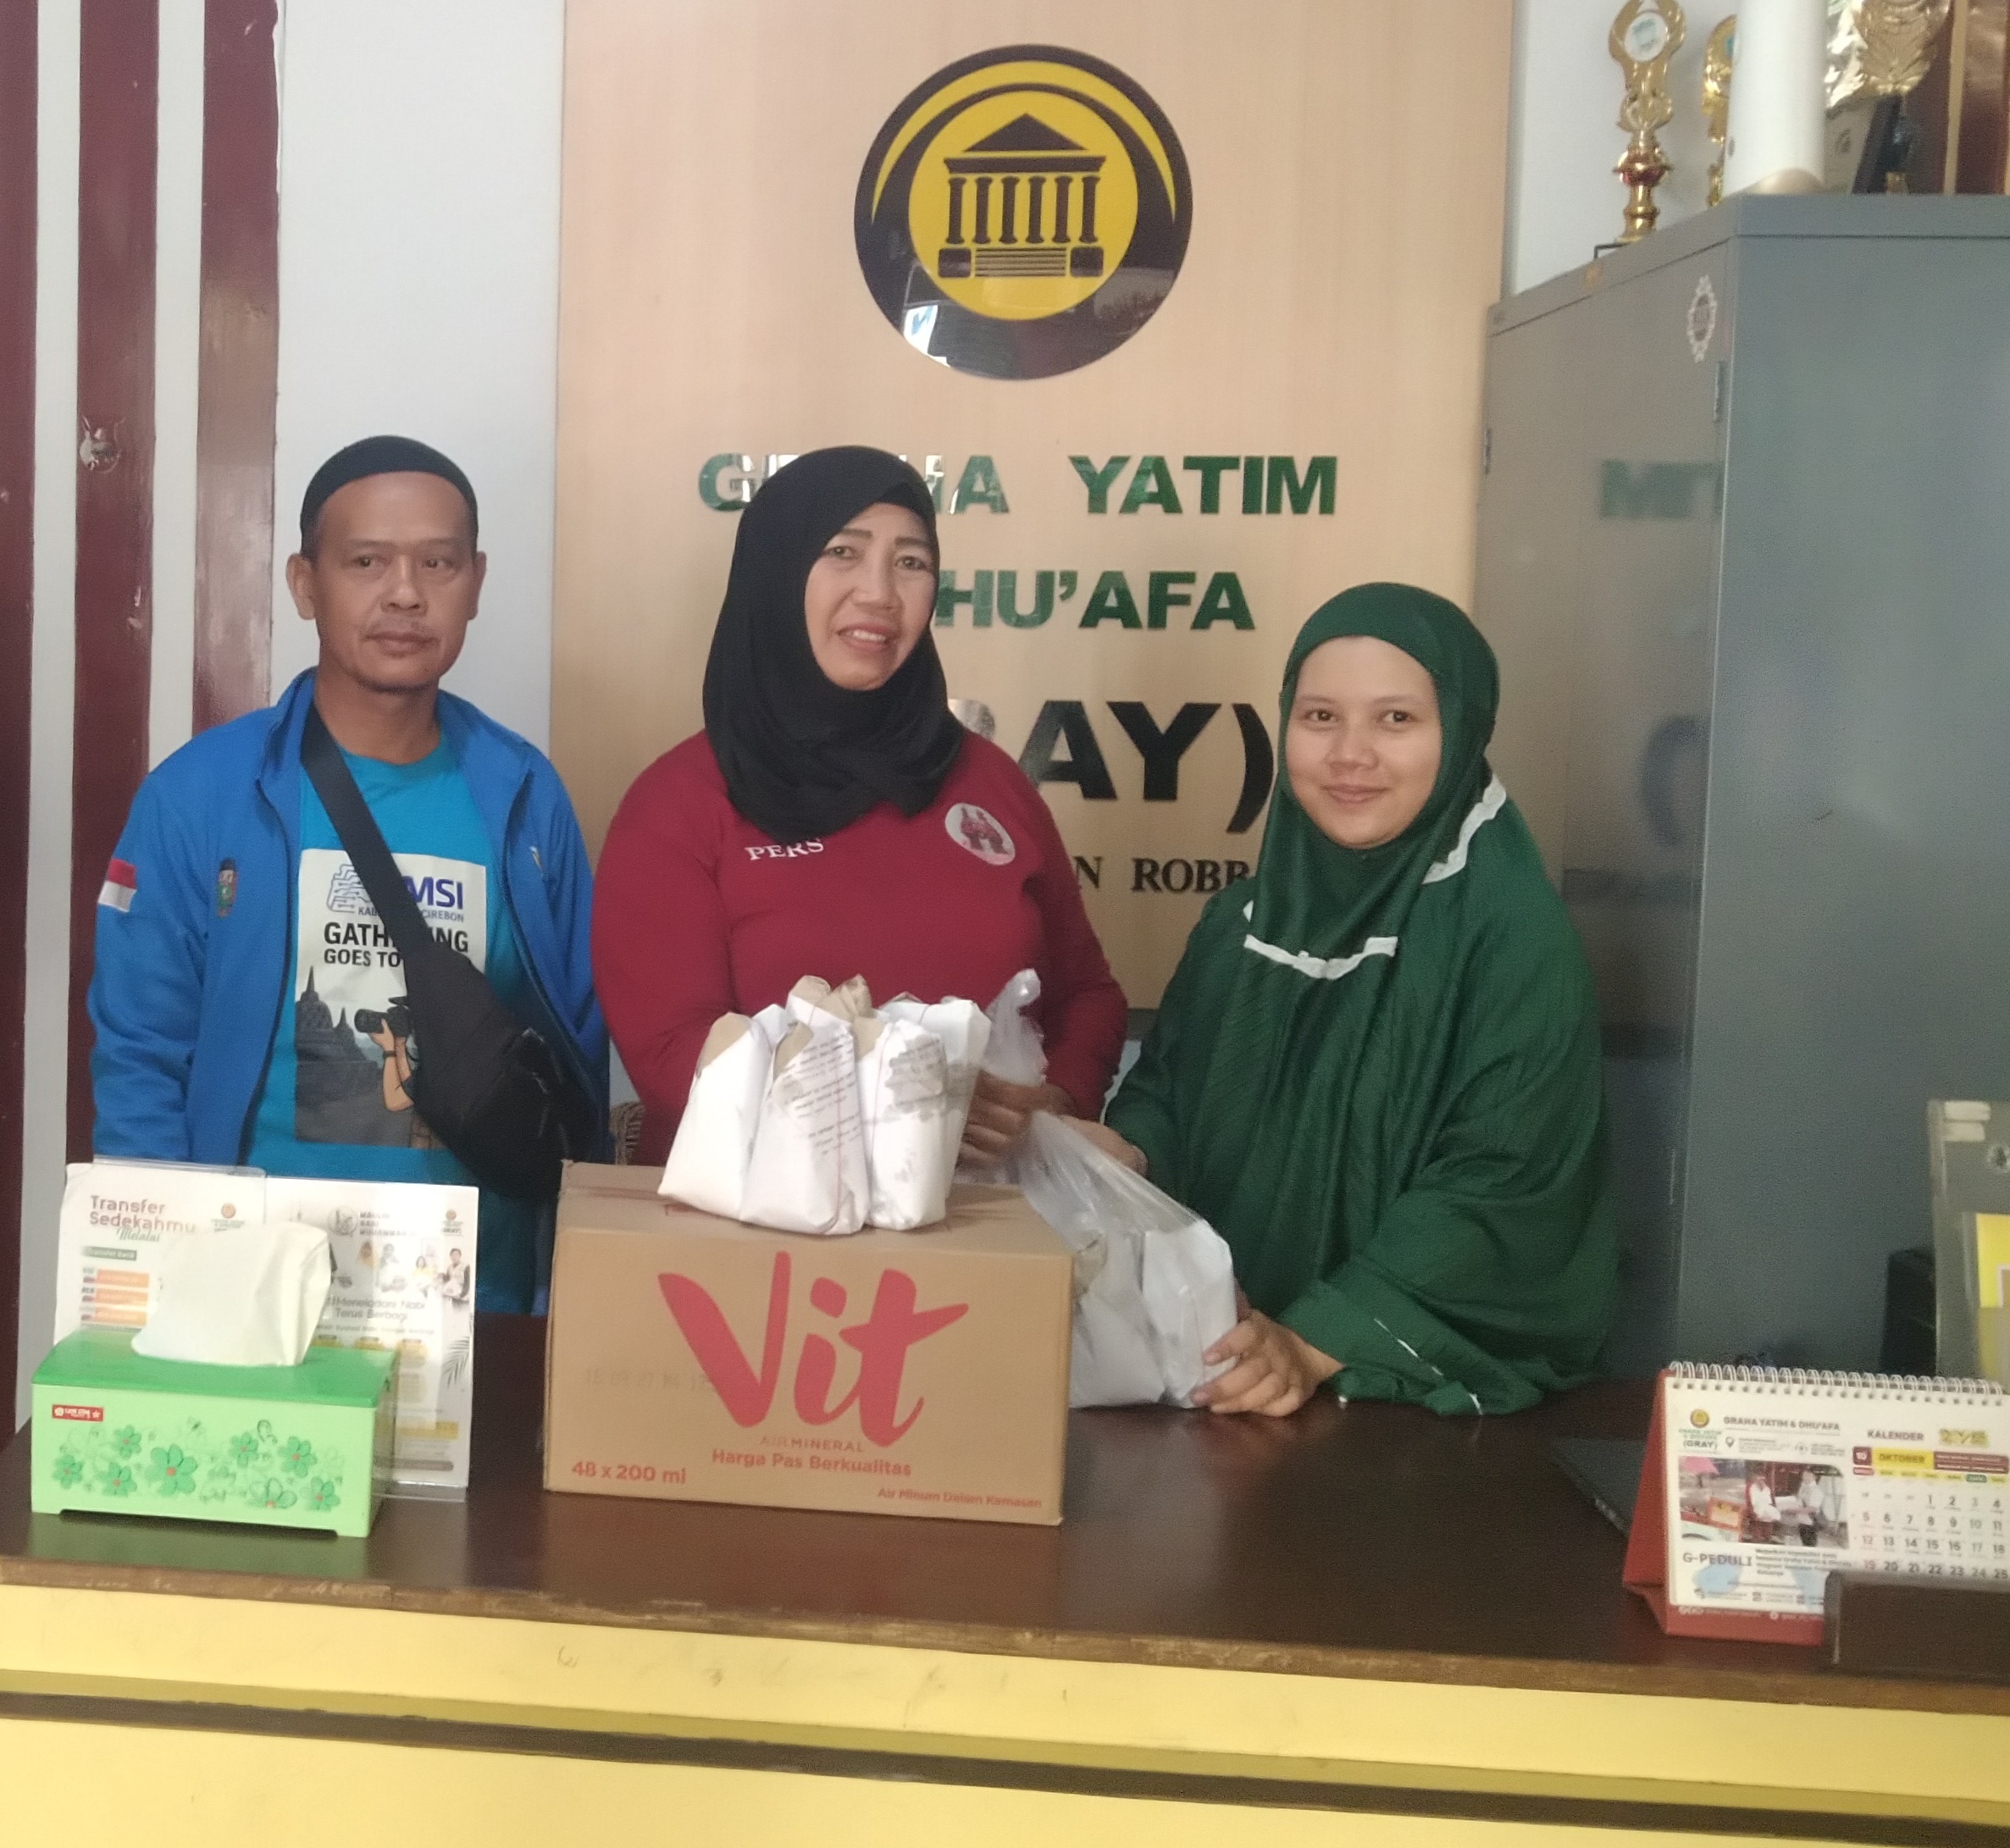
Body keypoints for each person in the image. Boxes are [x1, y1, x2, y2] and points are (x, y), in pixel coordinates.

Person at [88, 434, 606, 1312]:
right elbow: (140, 1050)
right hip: (254, 1287)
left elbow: (575, 1050)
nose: (405, 592)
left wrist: (558, 1286)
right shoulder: (201, 794)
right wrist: (162, 1284)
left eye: (438, 562)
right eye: (366, 561)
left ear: (476, 581)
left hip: (471, 1290)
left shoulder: (522, 795)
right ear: (304, 583)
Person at [1099, 583, 1614, 1419]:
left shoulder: (1513, 938)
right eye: (1320, 717)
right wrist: (1123, 1153)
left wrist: (1316, 1339)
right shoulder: (1241, 922)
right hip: (1221, 1374)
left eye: (1395, 719)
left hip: (1403, 1411)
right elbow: (1168, 1090)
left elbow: (1501, 1184)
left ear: (1461, 732)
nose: (1350, 753)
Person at [595, 446, 1124, 1165]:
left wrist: (1055, 1102)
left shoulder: (989, 783)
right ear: (777, 571)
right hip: (751, 1222)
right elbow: (670, 1058)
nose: (879, 592)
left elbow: (1087, 995)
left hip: (987, 1221)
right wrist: (914, 1111)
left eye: (911, 562)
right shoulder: (678, 805)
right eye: (842, 552)